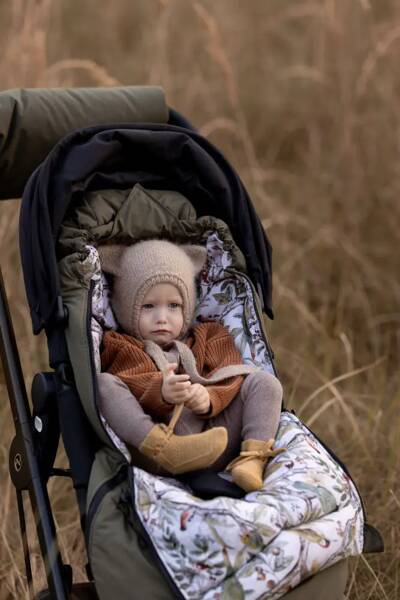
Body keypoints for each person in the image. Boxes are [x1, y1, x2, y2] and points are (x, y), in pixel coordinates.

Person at [97, 240, 284, 492]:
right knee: (103, 384)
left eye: (173, 306)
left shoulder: (210, 336)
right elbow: (127, 383)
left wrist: (209, 398)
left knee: (263, 382)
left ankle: (252, 459)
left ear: (187, 307)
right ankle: (166, 447)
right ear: (125, 307)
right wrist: (161, 392)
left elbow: (232, 376)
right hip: (157, 457)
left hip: (217, 441)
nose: (162, 317)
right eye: (148, 306)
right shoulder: (120, 345)